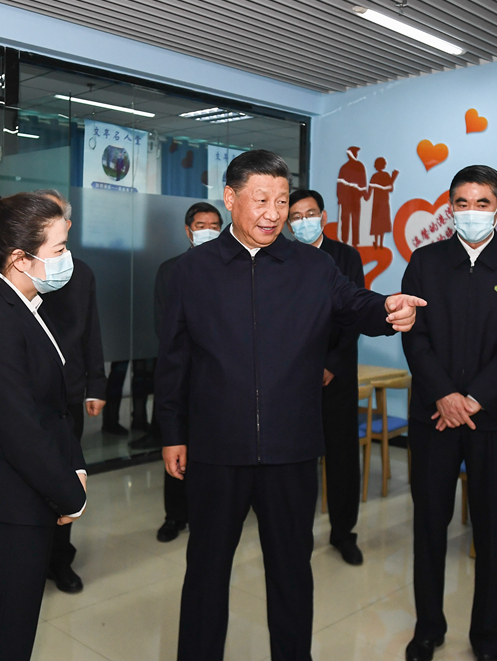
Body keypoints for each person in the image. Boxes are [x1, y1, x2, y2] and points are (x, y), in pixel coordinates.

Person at [155, 150, 425, 661]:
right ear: (231, 198)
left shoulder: (312, 265)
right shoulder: (192, 271)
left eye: (281, 201)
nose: (273, 213)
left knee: (291, 573)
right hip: (217, 448)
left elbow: (354, 303)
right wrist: (172, 432)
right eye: (261, 200)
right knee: (206, 572)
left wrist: (387, 308)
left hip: (291, 448)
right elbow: (174, 359)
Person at [400, 165, 497, 661]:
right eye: (462, 203)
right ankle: (427, 629)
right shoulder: (425, 261)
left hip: (494, 421)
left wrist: (473, 399)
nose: (472, 212)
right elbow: (414, 337)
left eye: (483, 203)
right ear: (450, 208)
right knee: (429, 526)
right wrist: (444, 395)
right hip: (434, 418)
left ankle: (488, 640)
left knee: (492, 533)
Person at [0, 190, 88, 661]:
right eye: (59, 249)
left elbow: (53, 407)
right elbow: (20, 429)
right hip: (6, 514)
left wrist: (76, 464)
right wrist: (71, 495)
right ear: (19, 258)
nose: (68, 259)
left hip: (28, 503)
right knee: (5, 645)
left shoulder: (28, 304)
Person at [287, 188, 366, 565]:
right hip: (293, 379)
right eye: (296, 216)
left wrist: (331, 363)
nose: (304, 221)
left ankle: (343, 534)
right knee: (296, 461)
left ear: (323, 216)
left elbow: (354, 314)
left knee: (342, 458)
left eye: (310, 214)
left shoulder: (346, 256)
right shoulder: (282, 258)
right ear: (288, 224)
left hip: (338, 375)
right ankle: (296, 534)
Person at [36, 188, 107, 593]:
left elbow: (91, 331)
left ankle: (59, 558)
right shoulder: (11, 268)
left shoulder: (80, 272)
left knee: (67, 476)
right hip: (24, 395)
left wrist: (96, 384)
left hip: (69, 394)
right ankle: (27, 555)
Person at [153, 201, 223, 543]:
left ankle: (208, 515)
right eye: (201, 225)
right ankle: (175, 516)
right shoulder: (171, 270)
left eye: (214, 225)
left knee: (215, 452)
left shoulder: (232, 268)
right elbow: (163, 327)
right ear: (188, 230)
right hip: (182, 377)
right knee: (177, 447)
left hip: (220, 379)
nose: (208, 231)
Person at [336, 146, 370, 247]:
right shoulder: (358, 166)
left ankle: (347, 241)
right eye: (355, 152)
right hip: (352, 198)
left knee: (349, 220)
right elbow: (363, 184)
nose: (356, 154)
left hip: (350, 199)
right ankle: (352, 242)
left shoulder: (346, 167)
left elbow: (340, 185)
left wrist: (340, 198)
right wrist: (365, 195)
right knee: (352, 220)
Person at [369, 157, 398, 249]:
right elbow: (390, 188)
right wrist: (392, 179)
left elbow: (370, 191)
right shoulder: (384, 175)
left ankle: (379, 243)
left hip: (378, 203)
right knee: (380, 223)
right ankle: (379, 244)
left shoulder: (375, 176)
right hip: (382, 202)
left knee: (379, 223)